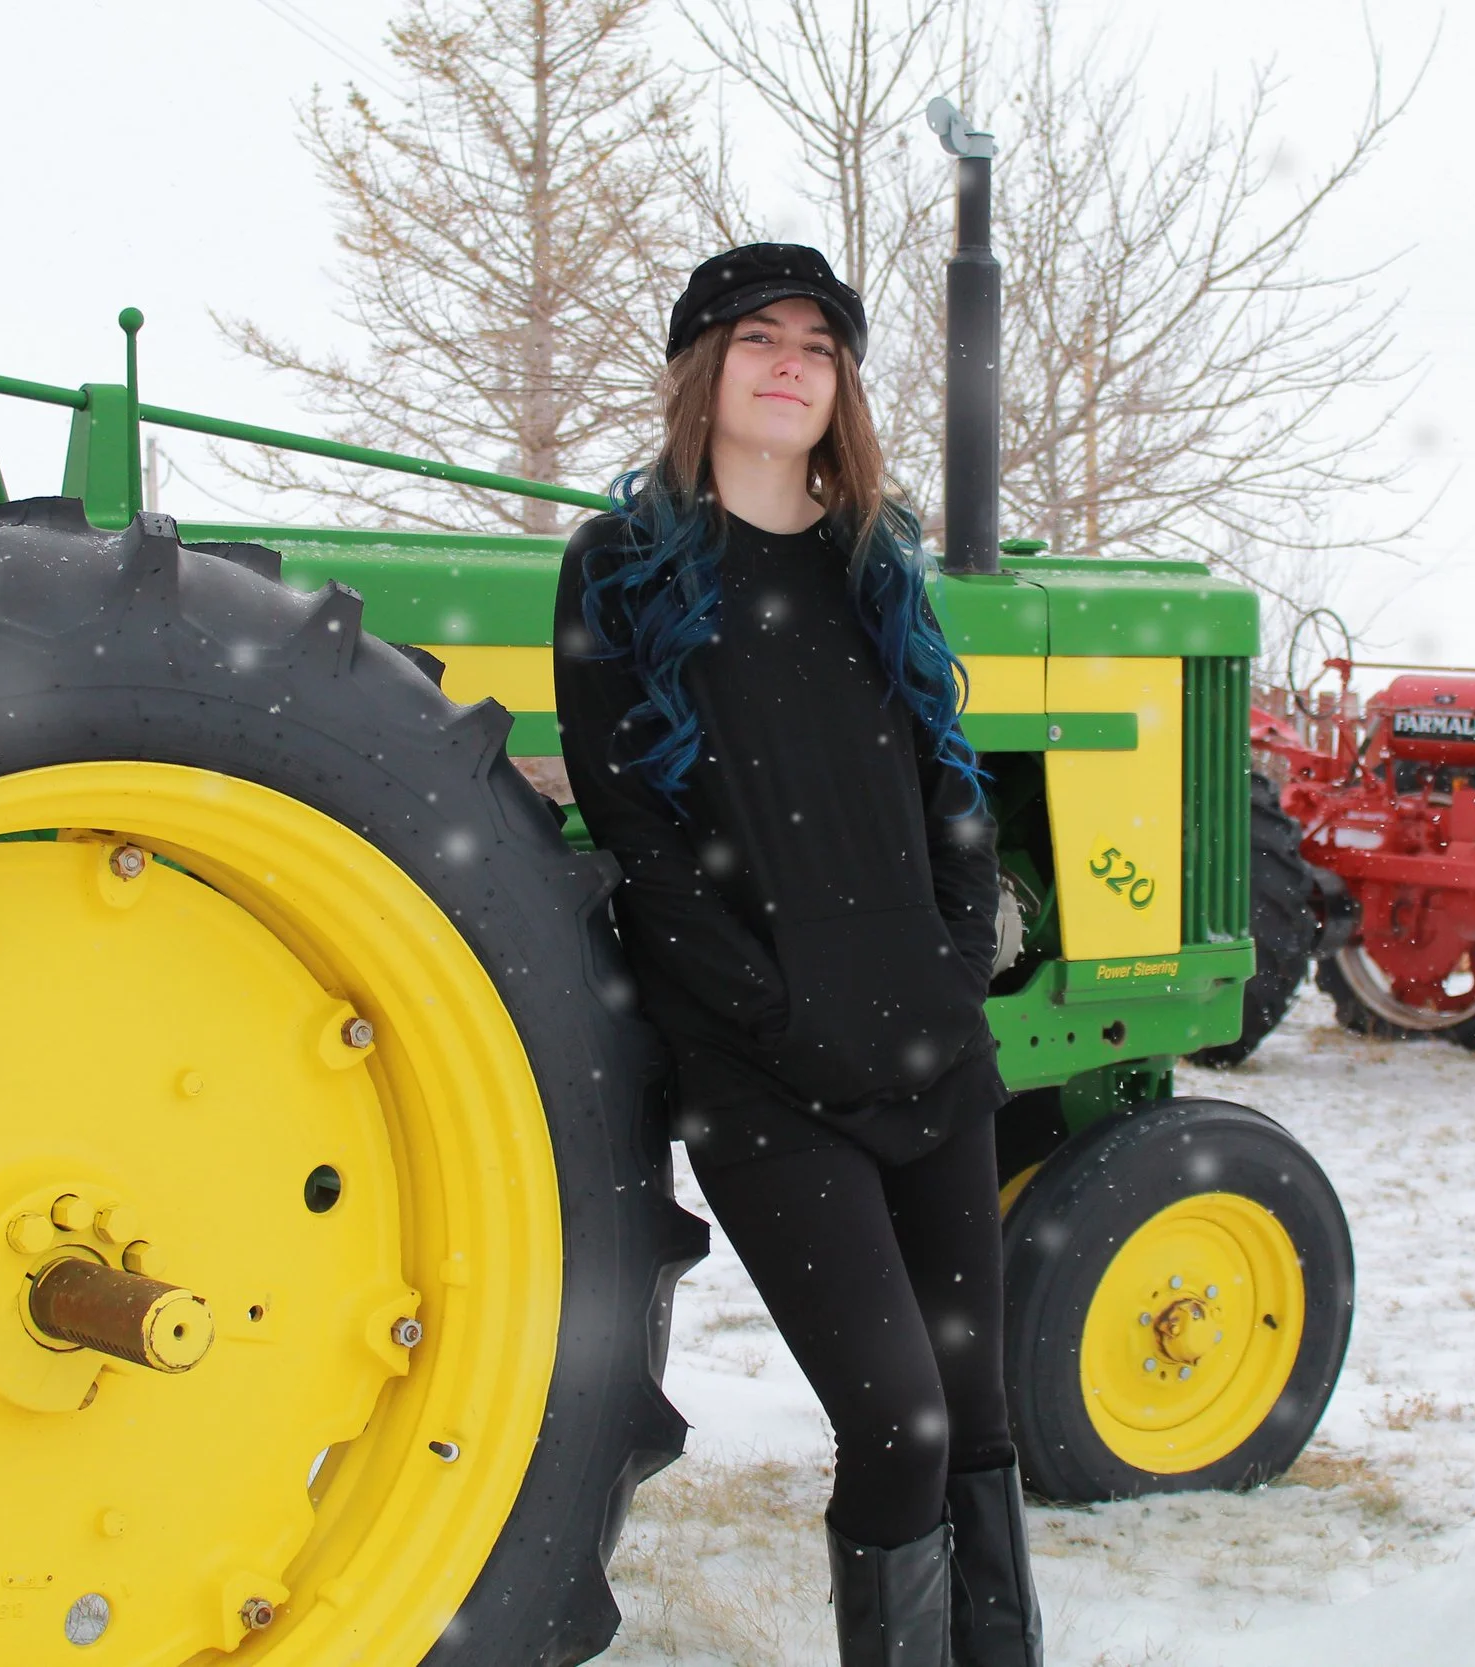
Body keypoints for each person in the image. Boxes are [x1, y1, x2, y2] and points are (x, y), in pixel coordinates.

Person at [553, 245, 1045, 1667]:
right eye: (760, 336)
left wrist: (956, 967)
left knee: (979, 1429)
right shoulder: (625, 573)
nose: (792, 364)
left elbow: (952, 785)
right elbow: (637, 830)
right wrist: (770, 1011)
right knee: (899, 1424)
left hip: (932, 1051)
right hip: (766, 1078)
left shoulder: (875, 569)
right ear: (704, 367)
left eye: (820, 346)